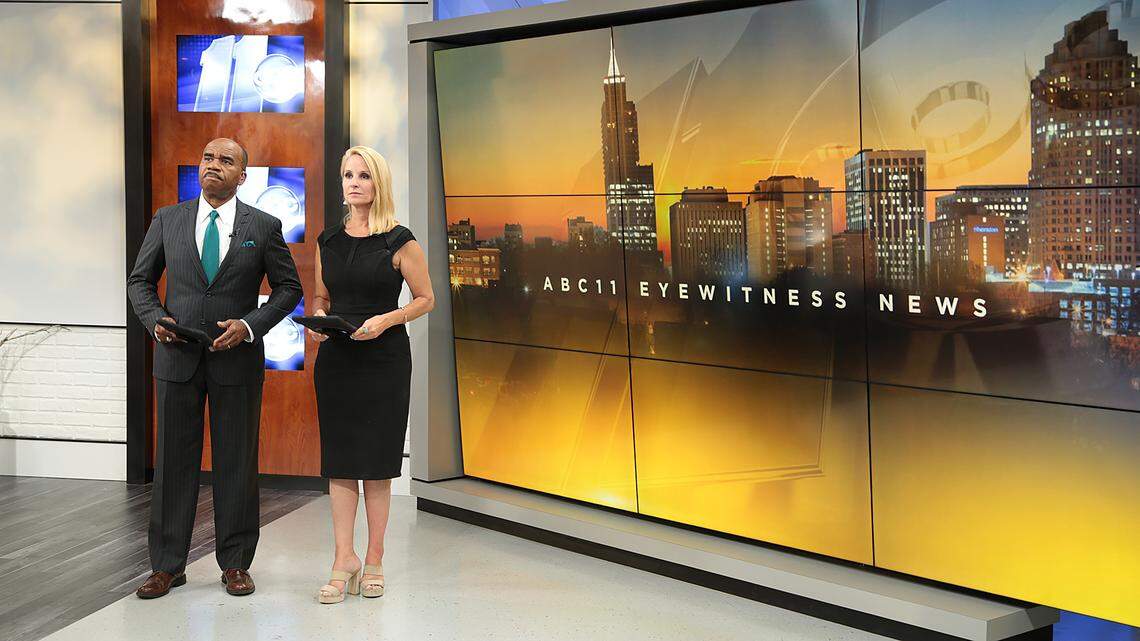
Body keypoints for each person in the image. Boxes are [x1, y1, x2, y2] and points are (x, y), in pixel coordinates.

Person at [127, 138, 303, 599]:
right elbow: (140, 281)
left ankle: (236, 564)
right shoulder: (169, 219)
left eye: (226, 161)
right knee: (172, 465)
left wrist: (249, 325)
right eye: (208, 158)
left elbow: (288, 288)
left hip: (237, 363)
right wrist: (154, 320)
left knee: (236, 464)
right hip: (176, 360)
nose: (214, 166)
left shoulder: (263, 226)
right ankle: (167, 566)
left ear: (242, 176)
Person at [310, 146, 434, 604]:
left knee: (377, 465)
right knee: (341, 463)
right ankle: (345, 557)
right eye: (347, 175)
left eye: (363, 175)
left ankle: (375, 557)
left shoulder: (399, 240)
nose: (354, 182)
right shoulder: (327, 242)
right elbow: (321, 297)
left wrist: (384, 320)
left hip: (384, 361)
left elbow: (426, 299)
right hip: (337, 361)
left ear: (377, 182)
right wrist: (320, 321)